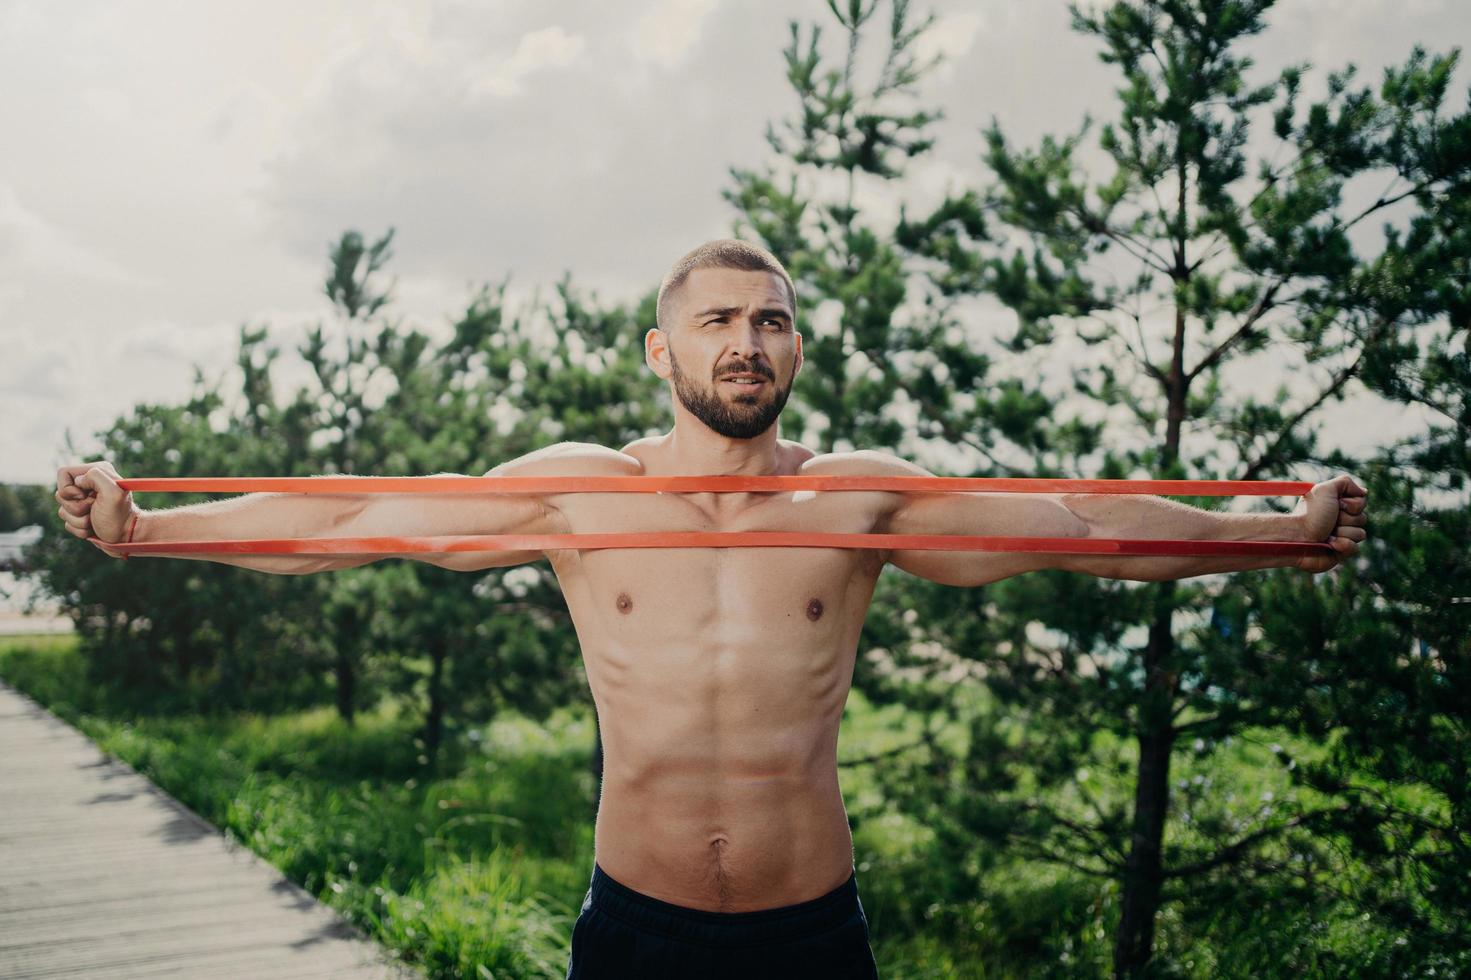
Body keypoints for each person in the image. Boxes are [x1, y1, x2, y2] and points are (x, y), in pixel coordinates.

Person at [56, 239, 1369, 979]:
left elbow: (1084, 531)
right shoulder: (577, 495)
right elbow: (348, 523)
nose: (748, 341)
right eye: (720, 320)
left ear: (798, 351)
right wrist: (148, 530)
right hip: (636, 930)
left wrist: (1272, 538)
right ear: (662, 351)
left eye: (774, 323)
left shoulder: (859, 499)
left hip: (813, 934)